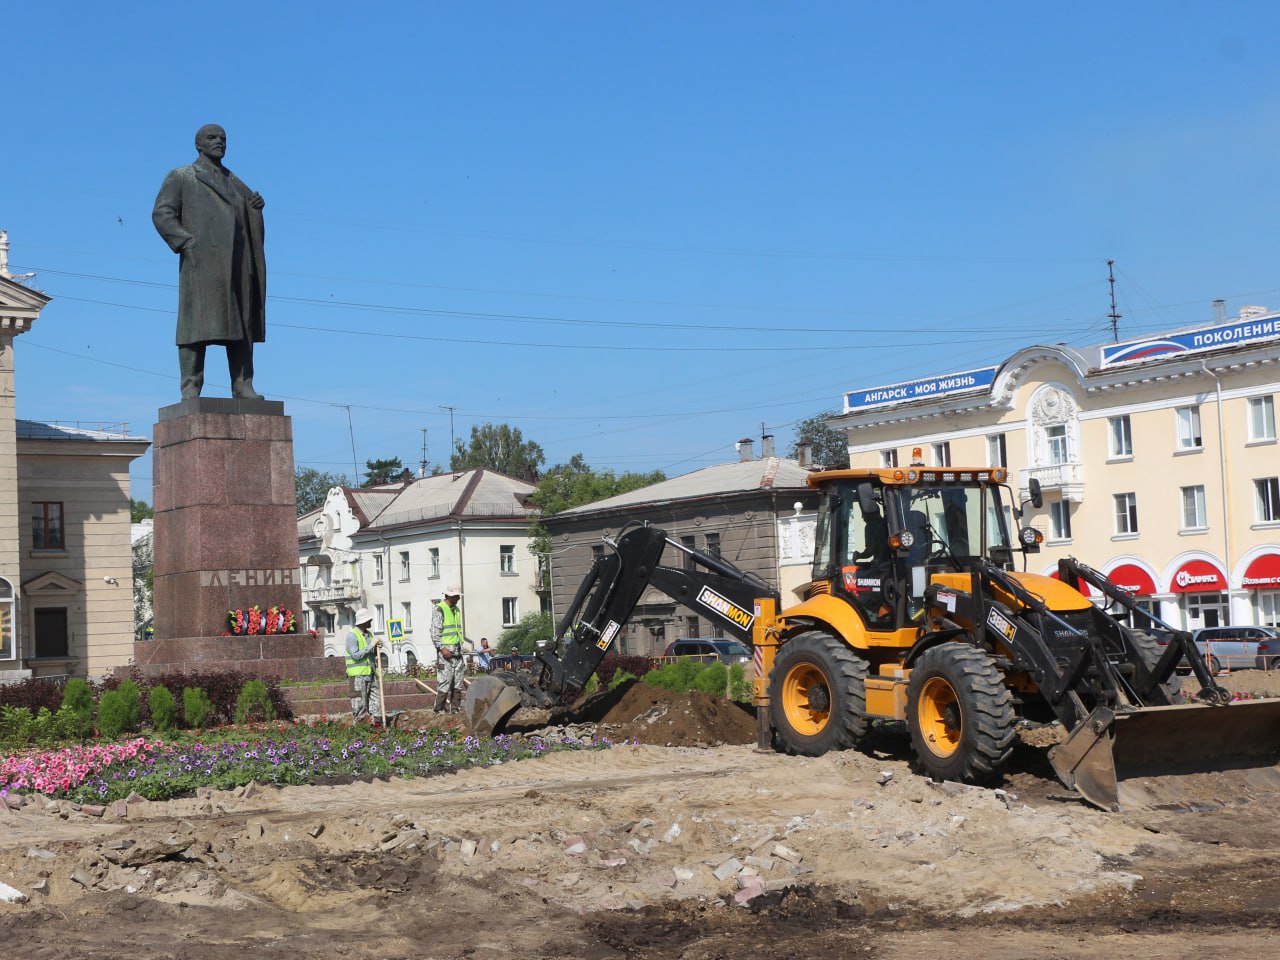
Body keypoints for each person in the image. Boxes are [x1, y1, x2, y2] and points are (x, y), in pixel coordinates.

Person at [153, 124, 267, 401]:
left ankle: (242, 384)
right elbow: (162, 213)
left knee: (242, 324)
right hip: (202, 261)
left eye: (223, 139)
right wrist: (186, 242)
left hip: (238, 263)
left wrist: (255, 210)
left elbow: (248, 223)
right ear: (198, 144)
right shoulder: (182, 176)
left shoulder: (236, 182)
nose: (219, 142)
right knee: (195, 325)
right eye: (212, 138)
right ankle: (191, 385)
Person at [431, 584, 466, 713]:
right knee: (444, 682)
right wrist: (442, 648)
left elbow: (456, 631)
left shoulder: (456, 610)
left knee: (458, 682)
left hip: (457, 652)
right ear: (450, 596)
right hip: (445, 654)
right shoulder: (439, 609)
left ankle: (455, 709)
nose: (458, 598)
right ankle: (438, 710)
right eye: (456, 596)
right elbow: (435, 633)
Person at [345, 607, 382, 724]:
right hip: (358, 677)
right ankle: (359, 731)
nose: (370, 622)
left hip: (371, 674)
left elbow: (371, 654)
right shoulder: (352, 636)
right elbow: (356, 655)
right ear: (363, 622)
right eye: (369, 620)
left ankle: (376, 725)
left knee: (376, 703)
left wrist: (377, 649)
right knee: (359, 706)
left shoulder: (369, 635)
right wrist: (371, 645)